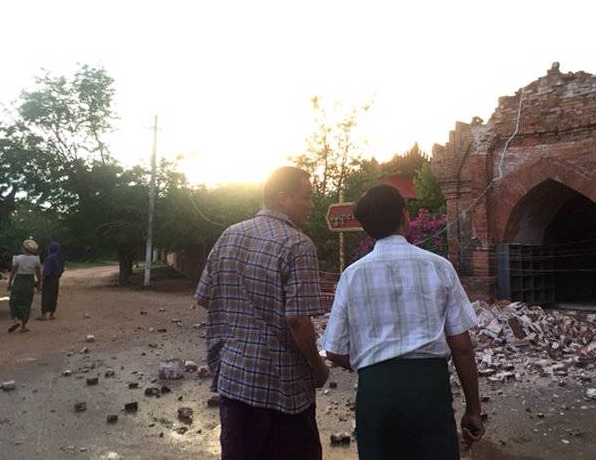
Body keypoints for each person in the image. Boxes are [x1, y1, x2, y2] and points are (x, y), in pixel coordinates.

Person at [323, 184, 485, 460]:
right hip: (428, 389)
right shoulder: (439, 266)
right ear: (405, 216)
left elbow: (334, 350)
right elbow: (461, 346)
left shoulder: (352, 275)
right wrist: (472, 408)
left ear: (366, 228)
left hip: (376, 392)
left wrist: (374, 365)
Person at [195, 166, 330, 460]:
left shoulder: (229, 235)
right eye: (306, 197)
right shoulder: (298, 244)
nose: (312, 205)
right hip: (284, 390)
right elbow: (297, 321)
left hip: (234, 380)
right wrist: (318, 369)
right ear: (283, 198)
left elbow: (205, 297)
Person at [7, 240, 42, 333]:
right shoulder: (35, 259)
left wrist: (9, 283)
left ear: (24, 249)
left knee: (14, 300)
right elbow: (38, 274)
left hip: (19, 280)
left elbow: (13, 271)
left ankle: (15, 320)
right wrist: (39, 284)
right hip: (29, 281)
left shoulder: (17, 258)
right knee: (26, 303)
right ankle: (23, 326)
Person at [36, 242, 64, 321]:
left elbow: (46, 271)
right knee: (54, 296)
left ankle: (44, 315)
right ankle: (51, 314)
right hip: (56, 279)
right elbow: (62, 270)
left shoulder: (49, 258)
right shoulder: (60, 258)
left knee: (46, 296)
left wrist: (40, 281)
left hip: (49, 279)